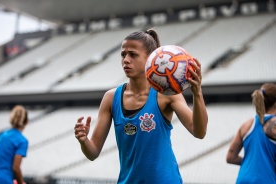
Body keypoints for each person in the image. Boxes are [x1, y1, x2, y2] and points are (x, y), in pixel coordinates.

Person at [74, 29, 208, 183]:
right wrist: (84, 141)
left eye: (132, 54)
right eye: (123, 55)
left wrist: (197, 94)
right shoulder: (111, 98)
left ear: (151, 58)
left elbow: (199, 131)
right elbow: (93, 153)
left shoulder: (166, 94)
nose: (126, 60)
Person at [226, 83, 276, 184]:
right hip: (265, 180)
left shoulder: (247, 125)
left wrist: (253, 162)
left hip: (243, 179)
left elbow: (230, 157)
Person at [0, 105, 29, 184]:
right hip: (4, 180)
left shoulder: (1, 136)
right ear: (27, 122)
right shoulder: (22, 141)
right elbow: (16, 168)